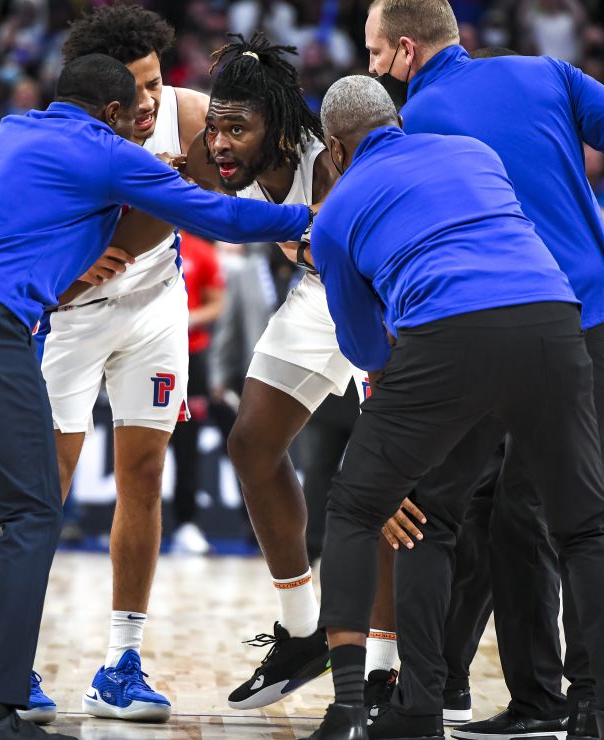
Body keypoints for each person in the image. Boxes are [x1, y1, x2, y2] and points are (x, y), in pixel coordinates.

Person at [0, 53, 313, 740]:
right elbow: (218, 218)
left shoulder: (10, 131)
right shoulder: (106, 151)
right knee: (35, 511)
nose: (143, 122)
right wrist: (316, 218)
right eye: (135, 112)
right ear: (113, 114)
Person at [363, 2, 604, 735]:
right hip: (584, 328)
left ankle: (468, 701)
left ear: (404, 51)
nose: (371, 70)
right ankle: (583, 704)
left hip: (479, 332)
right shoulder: (549, 74)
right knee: (569, 520)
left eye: (373, 55)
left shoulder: (413, 129)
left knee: (463, 516)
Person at [306, 74, 604, 740]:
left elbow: (365, 345)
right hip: (554, 324)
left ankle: (388, 708)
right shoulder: (473, 155)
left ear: (337, 152)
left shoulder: (338, 211)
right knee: (586, 524)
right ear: (396, 122)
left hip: (446, 341)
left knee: (375, 511)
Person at [27, 6, 211, 722]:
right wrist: (72, 264)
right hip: (70, 321)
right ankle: (16, 659)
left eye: (157, 83)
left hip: (157, 307)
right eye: (135, 89)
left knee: (144, 478)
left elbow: (251, 176)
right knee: (47, 487)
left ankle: (120, 663)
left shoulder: (187, 113)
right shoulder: (63, 129)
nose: (150, 103)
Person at [181, 33, 365, 711]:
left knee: (384, 493)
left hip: (388, 302)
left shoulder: (338, 156)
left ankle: (392, 671)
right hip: (321, 298)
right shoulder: (214, 151)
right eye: (214, 128)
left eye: (237, 128)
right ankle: (301, 633)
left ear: (281, 129)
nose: (220, 142)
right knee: (252, 444)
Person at [169, 229, 226, 556]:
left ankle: (186, 524)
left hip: (191, 358)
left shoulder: (202, 250)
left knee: (187, 445)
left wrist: (183, 319)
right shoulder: (141, 239)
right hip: (147, 353)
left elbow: (216, 304)